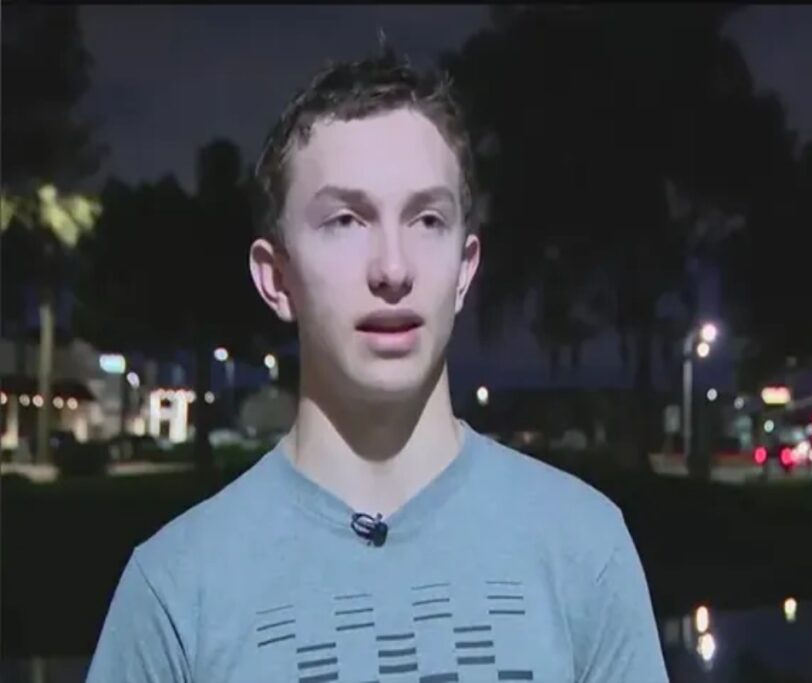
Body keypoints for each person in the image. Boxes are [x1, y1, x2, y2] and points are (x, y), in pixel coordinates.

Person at [87, 46, 668, 683]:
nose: (392, 268)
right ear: (276, 278)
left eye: (426, 218)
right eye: (345, 220)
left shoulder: (585, 551)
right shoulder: (175, 592)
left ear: (464, 269)